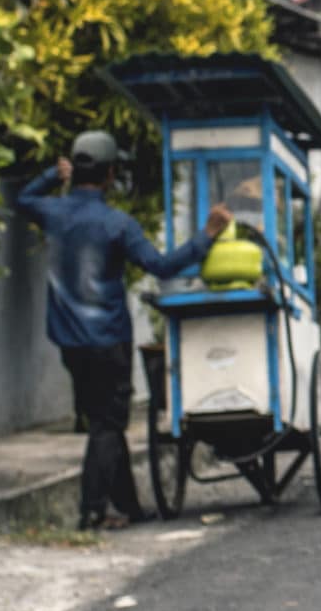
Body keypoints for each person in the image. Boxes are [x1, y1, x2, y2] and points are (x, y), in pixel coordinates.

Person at [15, 130, 230, 531]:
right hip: (108, 339)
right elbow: (162, 266)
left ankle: (128, 507)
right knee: (108, 425)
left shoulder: (54, 213)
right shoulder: (118, 224)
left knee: (103, 421)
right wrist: (208, 236)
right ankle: (91, 511)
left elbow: (21, 200)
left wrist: (50, 176)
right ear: (111, 174)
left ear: (75, 170)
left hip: (69, 341)